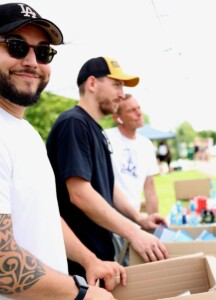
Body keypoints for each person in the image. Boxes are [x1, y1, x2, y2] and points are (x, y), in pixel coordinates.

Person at [0, 3, 124, 300]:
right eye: (17, 47)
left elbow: (44, 215)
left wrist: (88, 259)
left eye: (42, 52)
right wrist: (80, 293)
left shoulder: (25, 132)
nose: (32, 61)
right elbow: (3, 265)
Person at [46, 56, 168, 276]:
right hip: (78, 261)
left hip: (100, 255)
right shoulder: (73, 123)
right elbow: (80, 194)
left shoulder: (96, 129)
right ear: (92, 83)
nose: (121, 94)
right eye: (117, 85)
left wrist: (139, 219)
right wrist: (134, 234)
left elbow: (107, 187)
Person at [105, 94, 160, 265]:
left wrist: (153, 219)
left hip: (135, 221)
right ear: (117, 118)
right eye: (131, 110)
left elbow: (149, 187)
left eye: (139, 108)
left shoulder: (146, 144)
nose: (138, 113)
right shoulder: (106, 137)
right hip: (109, 222)